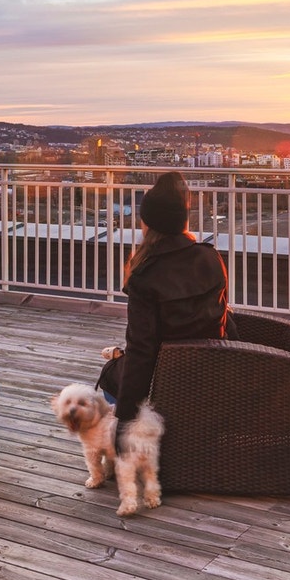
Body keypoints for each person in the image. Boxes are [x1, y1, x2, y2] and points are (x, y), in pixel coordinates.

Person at [98, 172, 235, 441]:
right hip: (214, 370)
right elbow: (221, 315)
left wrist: (124, 423)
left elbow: (141, 352)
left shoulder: (144, 275)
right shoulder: (211, 257)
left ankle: (145, 437)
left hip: (167, 378)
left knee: (110, 375)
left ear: (147, 222)